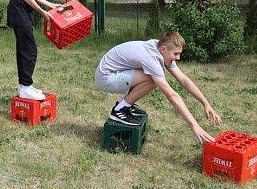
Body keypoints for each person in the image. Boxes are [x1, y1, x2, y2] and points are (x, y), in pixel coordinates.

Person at [94, 31, 222, 142]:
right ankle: (120, 110)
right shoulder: (152, 58)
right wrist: (194, 125)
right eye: (176, 54)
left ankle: (125, 105)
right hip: (107, 78)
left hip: (116, 73)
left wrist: (205, 103)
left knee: (156, 75)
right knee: (153, 78)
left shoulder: (160, 48)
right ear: (163, 50)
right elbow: (172, 95)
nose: (178, 58)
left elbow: (183, 79)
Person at [7, 0, 61, 100]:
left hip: (19, 14)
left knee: (25, 49)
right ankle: (25, 87)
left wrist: (51, 5)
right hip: (19, 14)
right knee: (29, 51)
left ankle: (26, 86)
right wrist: (44, 13)